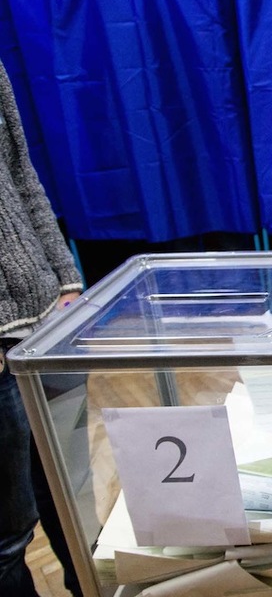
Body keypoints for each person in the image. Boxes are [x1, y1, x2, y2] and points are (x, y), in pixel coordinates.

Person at [0, 59, 84, 595]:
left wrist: (67, 279)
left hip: (48, 323)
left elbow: (20, 172)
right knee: (8, 536)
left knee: (74, 503)